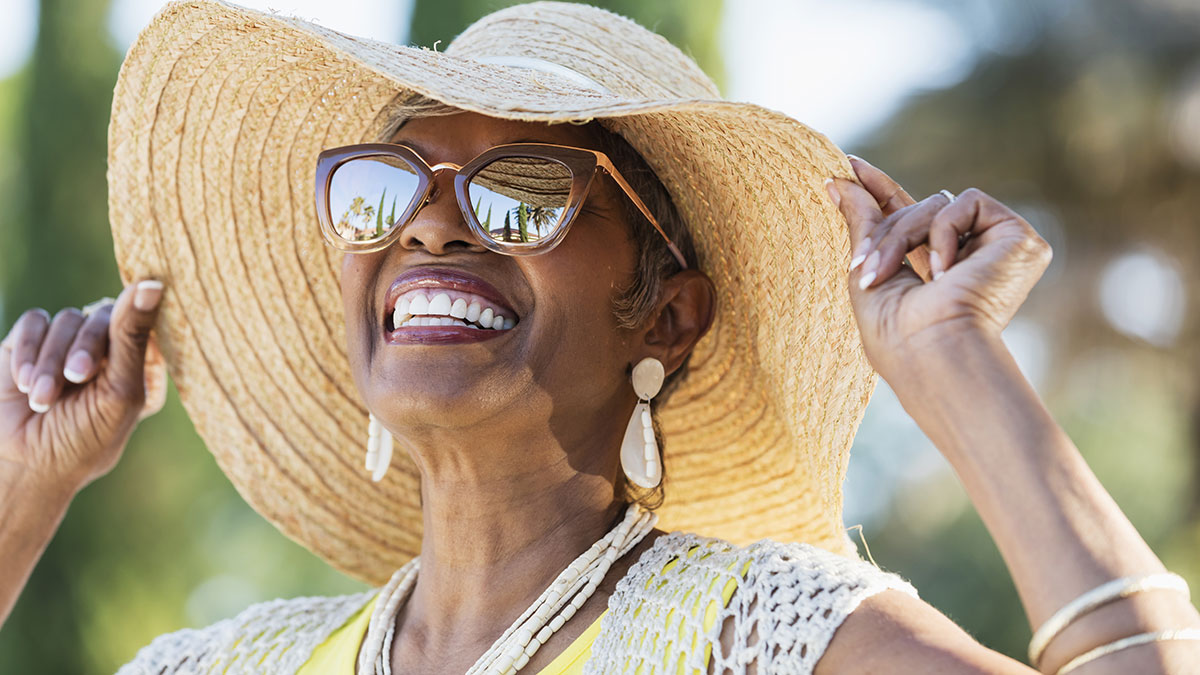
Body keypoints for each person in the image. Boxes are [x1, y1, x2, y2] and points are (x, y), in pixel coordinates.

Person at [2, 1, 1198, 673]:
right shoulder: (219, 670)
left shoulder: (759, 632)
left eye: (520, 190)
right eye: (384, 185)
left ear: (668, 314)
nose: (428, 225)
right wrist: (18, 497)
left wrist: (957, 362)